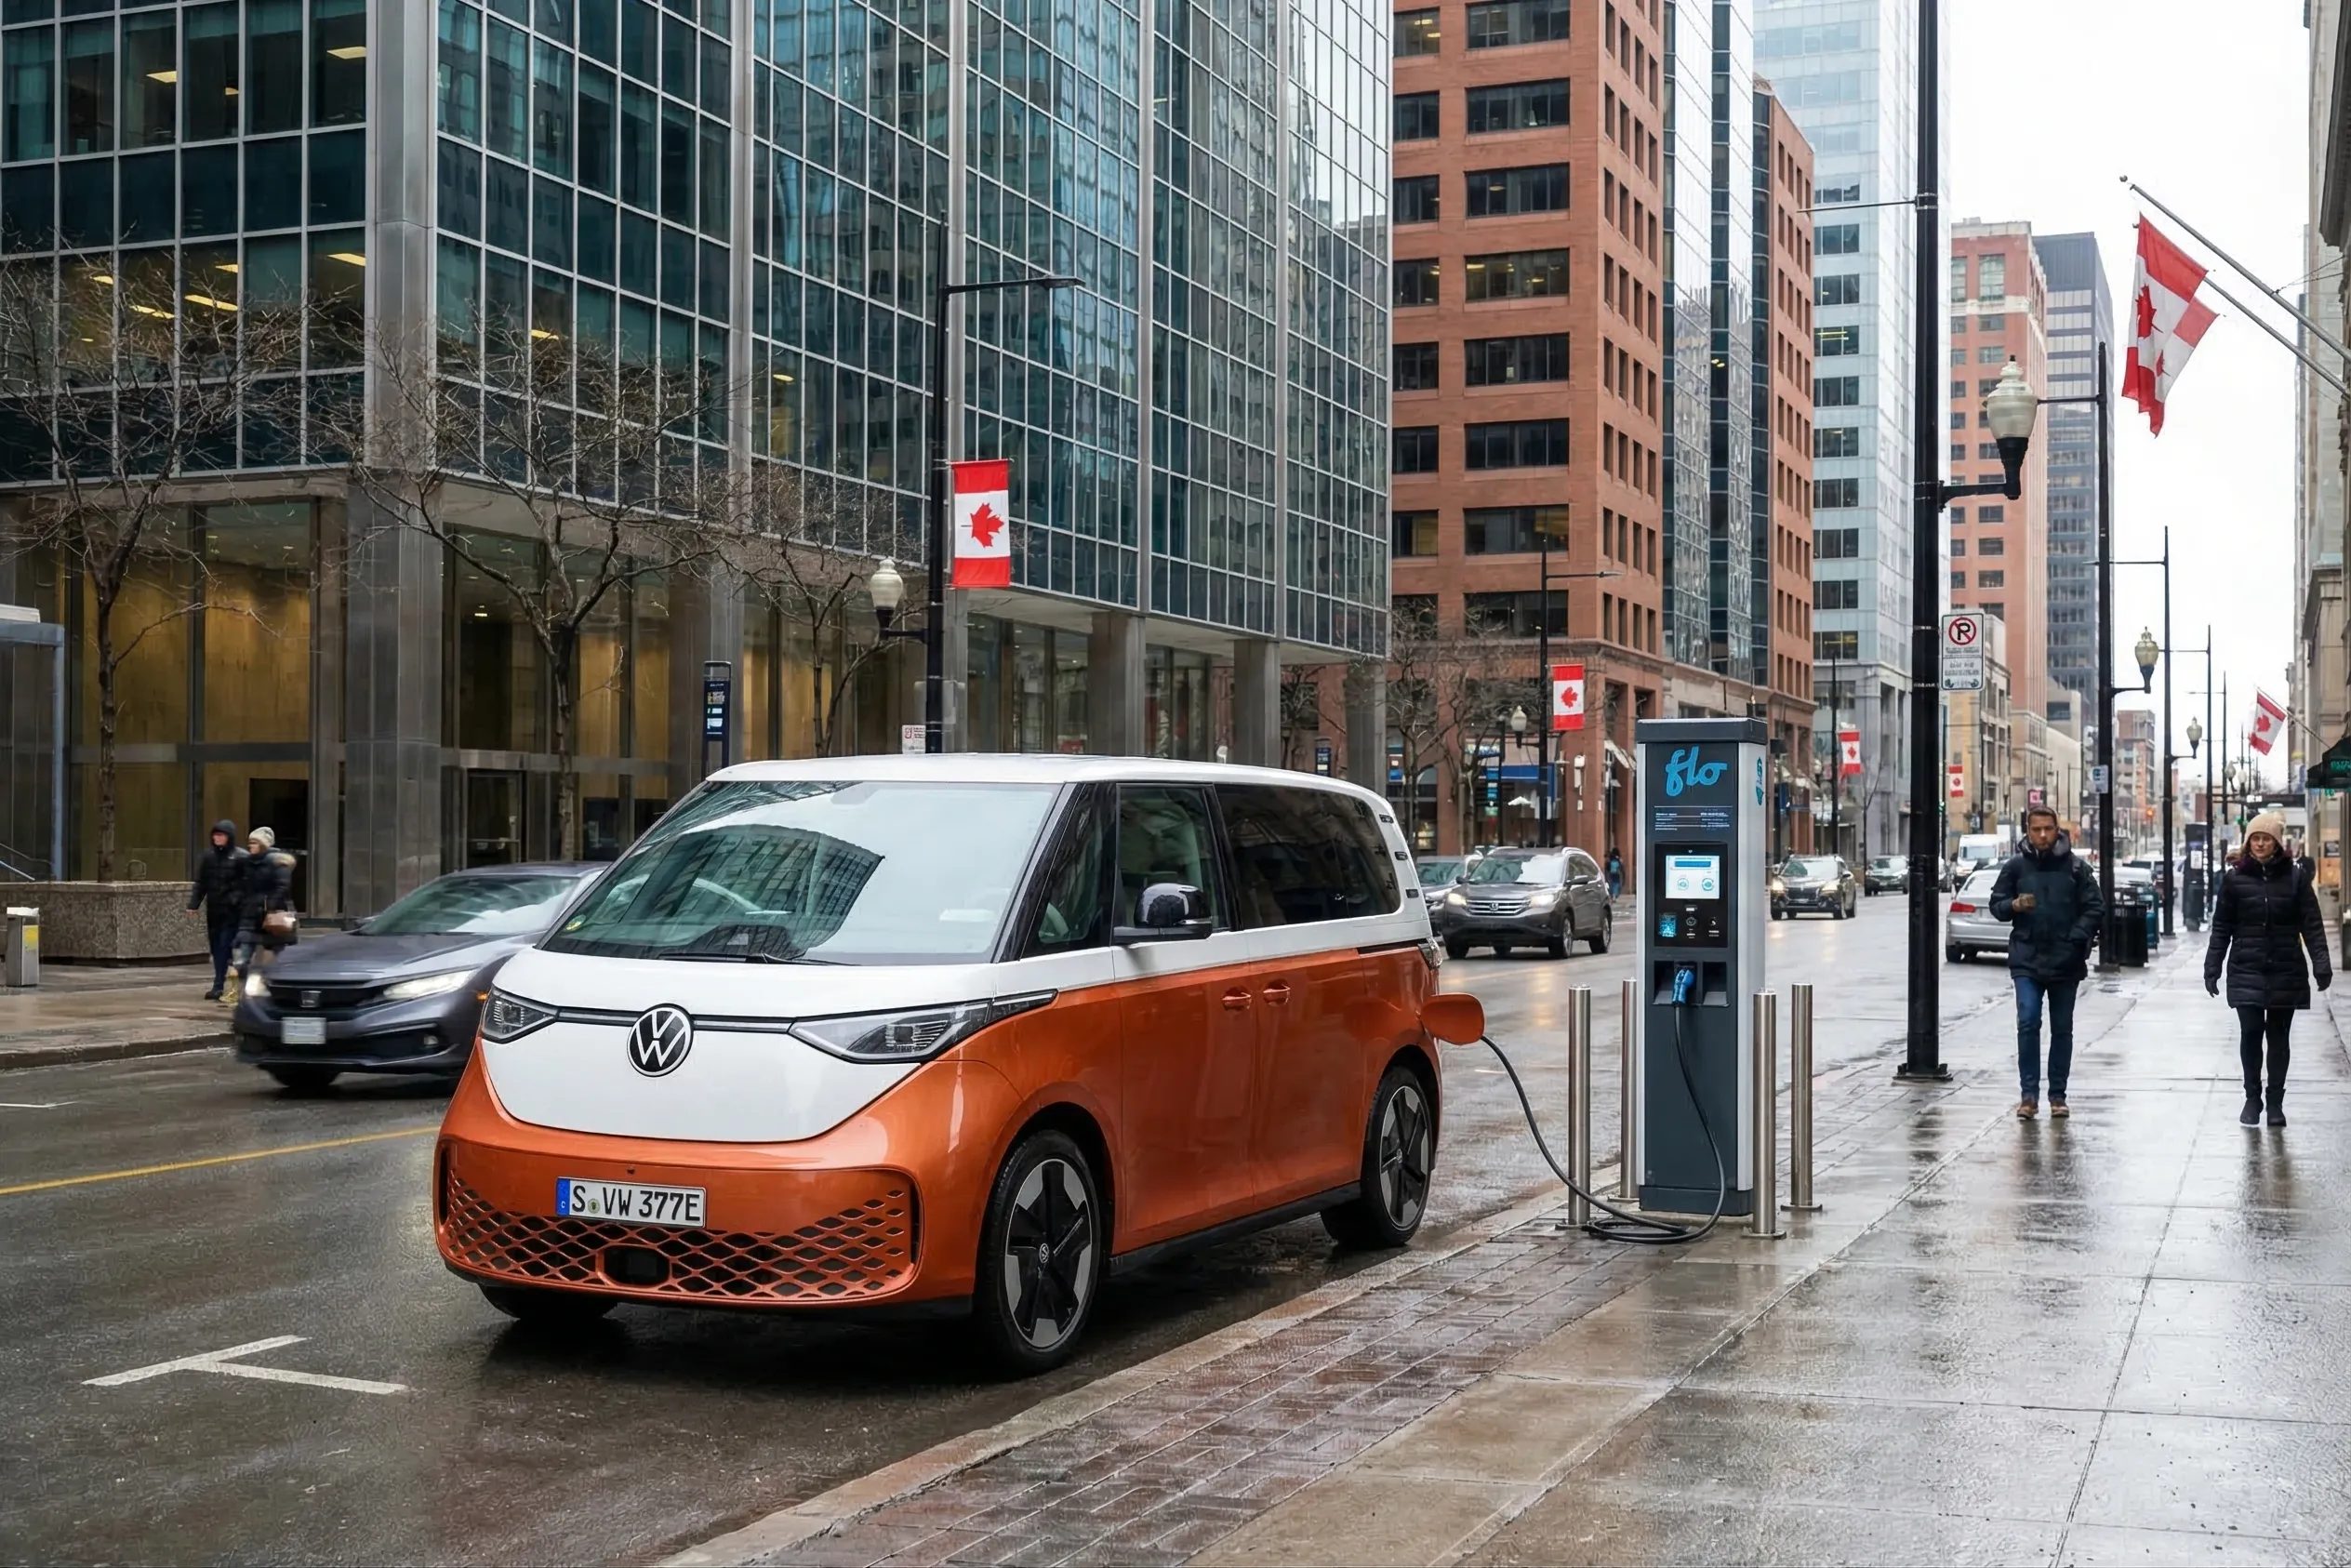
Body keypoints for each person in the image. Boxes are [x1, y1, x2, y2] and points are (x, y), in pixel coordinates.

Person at [2206, 812, 2331, 1128]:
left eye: (2266, 838)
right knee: (2250, 1032)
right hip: (2246, 967)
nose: (2260, 843)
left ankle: (2275, 1102)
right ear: (2248, 843)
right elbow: (2221, 927)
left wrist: (2321, 963)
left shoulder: (2295, 877)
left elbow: (2312, 924)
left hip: (2284, 967)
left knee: (2278, 1036)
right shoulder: (2234, 879)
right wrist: (2213, 967)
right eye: (2255, 838)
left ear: (2277, 843)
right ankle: (2252, 1097)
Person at [1989, 805, 2104, 1120]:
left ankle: (2057, 1096)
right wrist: (2013, 905)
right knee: (2027, 1021)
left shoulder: (2076, 868)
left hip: (2065, 960)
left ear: (2057, 830)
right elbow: (1996, 906)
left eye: (2048, 829)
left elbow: (2095, 907)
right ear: (2028, 830)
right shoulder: (2015, 867)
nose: (2042, 835)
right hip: (2027, 957)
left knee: (2062, 1028)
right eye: (2036, 829)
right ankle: (2028, 1096)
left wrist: (2076, 937)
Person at [231, 826, 299, 990]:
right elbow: (239, 885)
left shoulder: (278, 863)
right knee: (240, 958)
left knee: (280, 956)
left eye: (254, 843)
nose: (250, 846)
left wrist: (269, 905)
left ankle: (282, 987)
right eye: (249, 843)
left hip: (272, 917)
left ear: (263, 844)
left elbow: (282, 888)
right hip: (249, 916)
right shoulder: (246, 863)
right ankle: (235, 992)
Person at [186, 819, 246, 1001]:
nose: (217, 838)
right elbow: (201, 883)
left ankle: (225, 985)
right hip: (214, 911)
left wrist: (235, 900)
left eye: (221, 835)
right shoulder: (208, 857)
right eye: (215, 835)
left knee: (225, 946)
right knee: (217, 948)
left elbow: (247, 884)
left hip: (233, 912)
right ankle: (221, 982)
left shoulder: (240, 857)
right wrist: (193, 904)